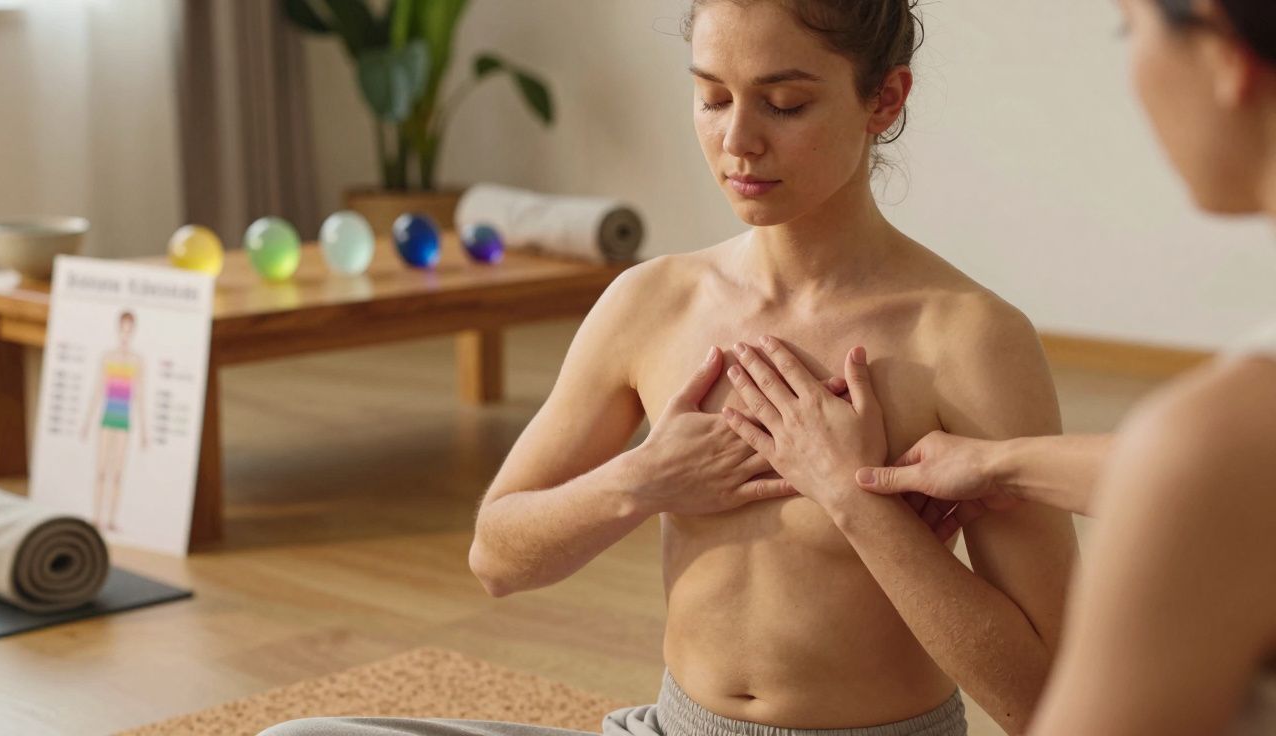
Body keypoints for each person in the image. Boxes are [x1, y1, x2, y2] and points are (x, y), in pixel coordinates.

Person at [260, 1, 1077, 735]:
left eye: (785, 103)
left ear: (885, 100)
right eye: (713, 97)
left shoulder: (967, 340)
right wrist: (642, 480)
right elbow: (496, 557)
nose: (738, 141)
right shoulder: (654, 302)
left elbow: (1047, 706)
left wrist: (853, 502)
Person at [772, 1, 1276, 733]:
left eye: (1129, 27)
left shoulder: (1217, 436)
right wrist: (1000, 463)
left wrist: (852, 501)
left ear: (1225, 56)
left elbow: (1212, 477)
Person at [80, 310, 148, 532]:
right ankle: (96, 517)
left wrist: (145, 431)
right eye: (123, 330)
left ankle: (110, 519)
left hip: (124, 421)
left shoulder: (137, 361)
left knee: (117, 474)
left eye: (129, 331)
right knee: (101, 470)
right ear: (118, 330)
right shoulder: (107, 357)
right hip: (107, 418)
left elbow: (140, 396)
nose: (125, 335)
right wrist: (87, 422)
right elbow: (98, 390)